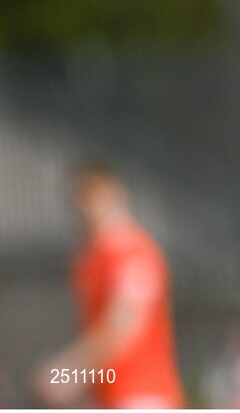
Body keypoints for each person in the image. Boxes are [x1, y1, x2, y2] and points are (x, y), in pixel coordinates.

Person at [34, 159, 184, 408]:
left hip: (140, 395)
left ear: (116, 193)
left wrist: (70, 372)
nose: (85, 207)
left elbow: (123, 326)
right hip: (106, 395)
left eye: (93, 195)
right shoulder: (89, 257)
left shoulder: (134, 253)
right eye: (80, 197)